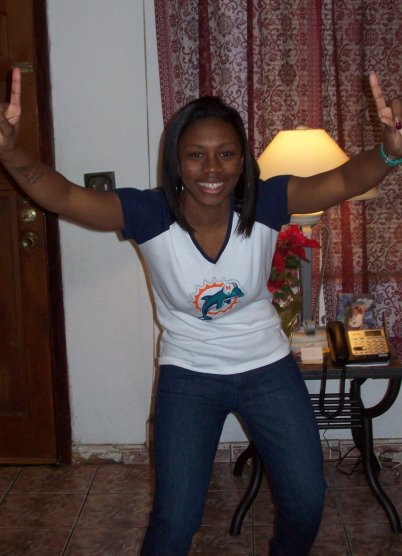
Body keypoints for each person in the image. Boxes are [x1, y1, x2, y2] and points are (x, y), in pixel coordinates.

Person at [0, 68, 401, 556]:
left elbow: (342, 179)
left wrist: (389, 152)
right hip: (189, 374)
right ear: (176, 160)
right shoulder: (149, 213)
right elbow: (63, 195)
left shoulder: (267, 202)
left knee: (306, 499)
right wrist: (10, 152)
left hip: (268, 369)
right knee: (174, 521)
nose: (212, 168)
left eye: (226, 153)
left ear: (243, 159)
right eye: (196, 154)